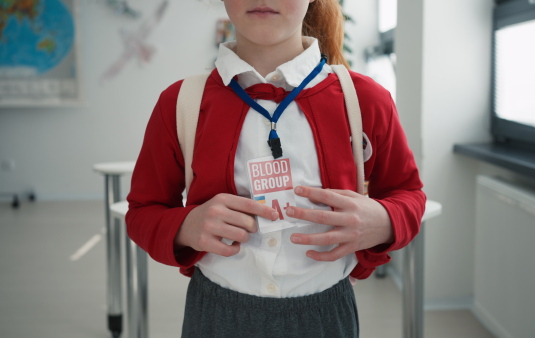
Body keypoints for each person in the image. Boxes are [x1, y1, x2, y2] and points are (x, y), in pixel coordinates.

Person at [126, 0, 426, 337]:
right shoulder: (180, 103)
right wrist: (184, 226)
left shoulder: (366, 99)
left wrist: (384, 221)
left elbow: (409, 194)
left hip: (327, 317)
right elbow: (141, 211)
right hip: (214, 315)